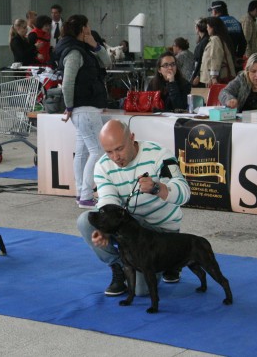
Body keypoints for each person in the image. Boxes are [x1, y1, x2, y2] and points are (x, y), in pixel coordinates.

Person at [76, 119, 190, 296]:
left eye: (119, 149)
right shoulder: (102, 166)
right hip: (132, 229)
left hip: (160, 233)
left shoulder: (159, 155)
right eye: (109, 152)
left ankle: (172, 259)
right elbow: (108, 202)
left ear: (132, 138)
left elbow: (185, 193)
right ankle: (119, 267)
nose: (115, 157)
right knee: (86, 220)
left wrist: (157, 188)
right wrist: (103, 230)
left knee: (141, 292)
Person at [54, 14, 110, 210]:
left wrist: (95, 44)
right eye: (88, 25)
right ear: (82, 28)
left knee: (83, 153)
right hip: (84, 109)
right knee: (98, 151)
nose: (90, 28)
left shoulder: (83, 49)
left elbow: (107, 62)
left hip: (83, 109)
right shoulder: (74, 52)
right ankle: (86, 195)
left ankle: (81, 193)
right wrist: (69, 107)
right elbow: (67, 83)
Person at [199, 16, 236, 87]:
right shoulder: (221, 38)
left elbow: (215, 57)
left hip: (217, 78)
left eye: (208, 26)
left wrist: (213, 77)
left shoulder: (215, 39)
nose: (207, 29)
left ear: (213, 27)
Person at [190, 18, 209, 87]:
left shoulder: (205, 41)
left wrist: (198, 75)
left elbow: (203, 60)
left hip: (201, 76)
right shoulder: (203, 41)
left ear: (197, 28)